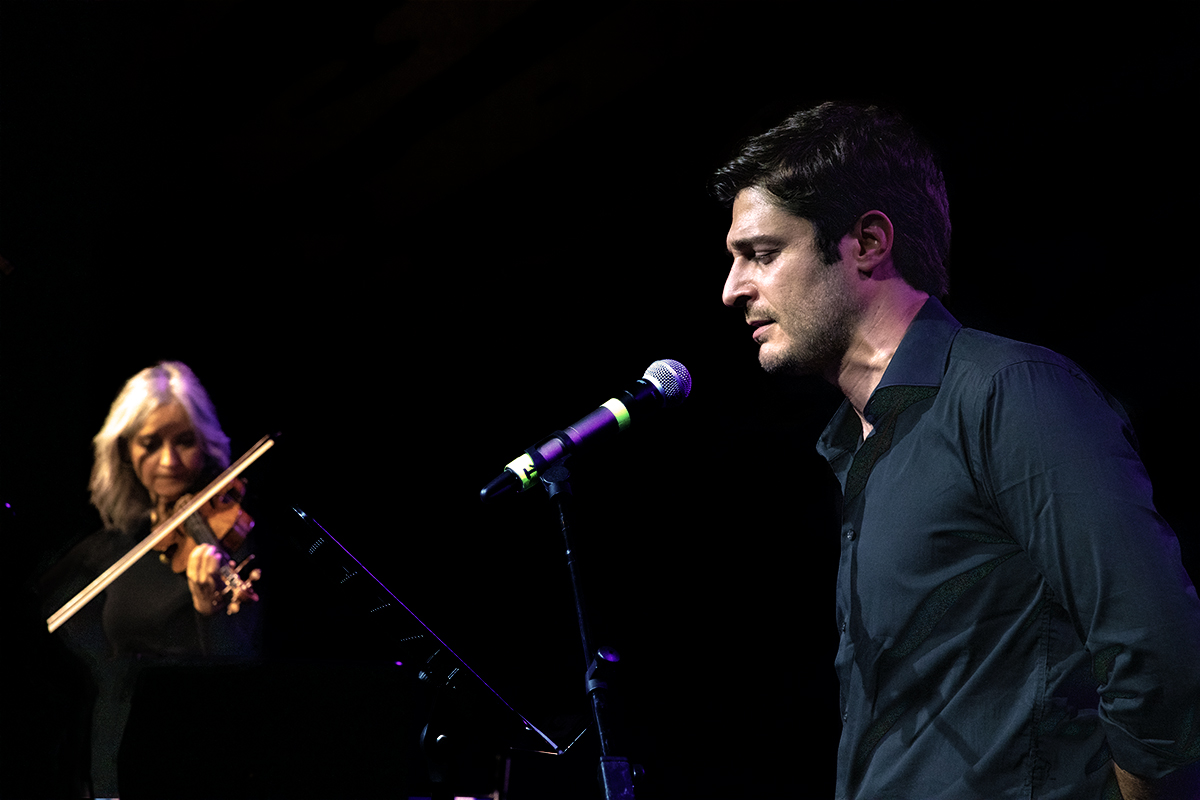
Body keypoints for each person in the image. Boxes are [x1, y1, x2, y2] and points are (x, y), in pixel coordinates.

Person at [712, 102, 1200, 799]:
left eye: (761, 255)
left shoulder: (1009, 391)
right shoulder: (857, 445)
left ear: (868, 242)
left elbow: (1155, 645)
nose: (732, 289)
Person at [40, 361, 261, 797]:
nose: (169, 461)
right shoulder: (112, 547)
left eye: (185, 441)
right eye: (150, 443)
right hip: (114, 748)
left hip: (197, 757)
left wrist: (210, 612)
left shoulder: (233, 540)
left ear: (206, 445)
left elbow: (240, 672)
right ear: (125, 450)